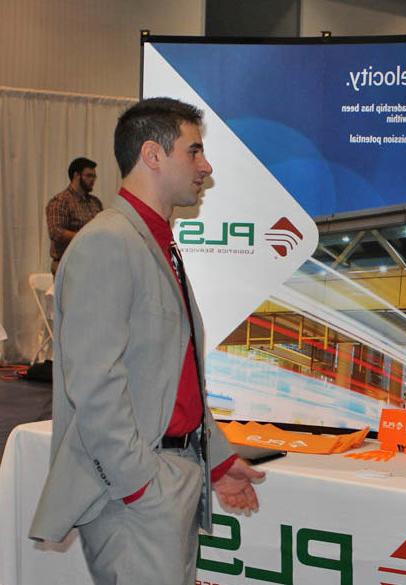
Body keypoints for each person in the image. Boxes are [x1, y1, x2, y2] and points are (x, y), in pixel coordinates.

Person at [29, 97, 264, 585]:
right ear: (153, 155)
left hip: (171, 475)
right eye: (194, 151)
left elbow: (171, 377)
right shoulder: (108, 242)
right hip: (138, 492)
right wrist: (139, 485)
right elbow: (94, 383)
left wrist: (216, 459)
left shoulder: (154, 242)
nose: (206, 166)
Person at [45, 157, 103, 274]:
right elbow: (56, 232)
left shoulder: (95, 202)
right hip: (67, 264)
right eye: (89, 176)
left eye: (94, 176)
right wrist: (85, 237)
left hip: (91, 263)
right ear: (76, 175)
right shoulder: (60, 201)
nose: (93, 180)